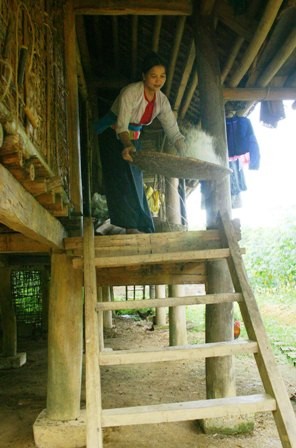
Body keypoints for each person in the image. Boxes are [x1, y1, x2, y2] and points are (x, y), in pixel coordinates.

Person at [94, 51, 187, 234]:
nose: (158, 81)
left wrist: (185, 149)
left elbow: (173, 131)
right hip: (112, 135)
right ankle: (130, 227)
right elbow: (121, 126)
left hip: (133, 138)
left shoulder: (161, 100)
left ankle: (143, 224)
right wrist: (127, 146)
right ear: (144, 76)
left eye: (162, 76)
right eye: (153, 76)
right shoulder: (130, 92)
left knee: (136, 179)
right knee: (122, 179)